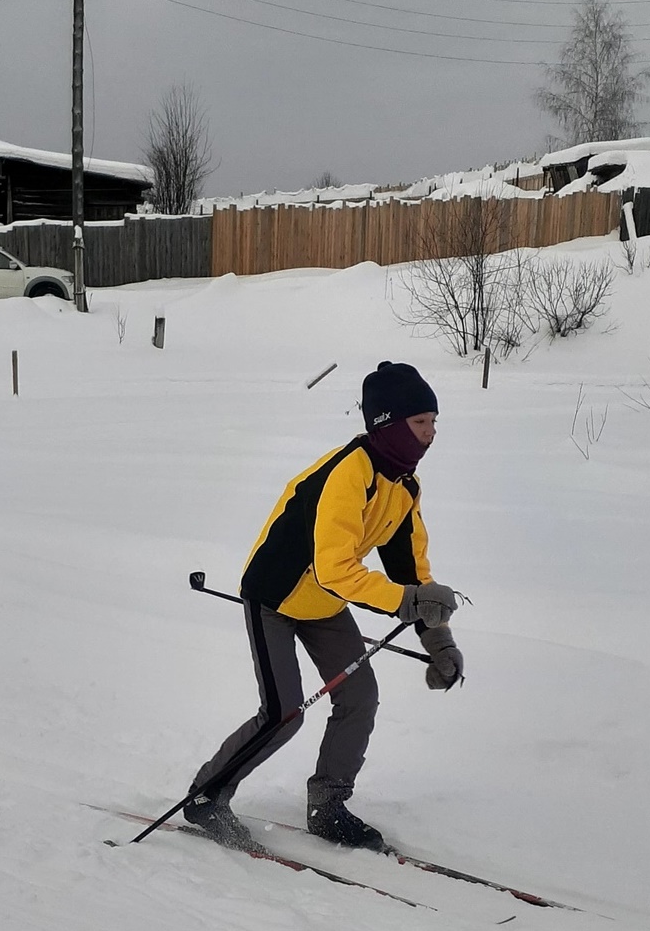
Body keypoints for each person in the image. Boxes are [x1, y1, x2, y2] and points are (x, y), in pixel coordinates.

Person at [185, 360, 463, 852]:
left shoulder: (404, 487)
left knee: (360, 696)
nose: (431, 433)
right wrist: (408, 602)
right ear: (389, 424)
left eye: (434, 422)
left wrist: (436, 637)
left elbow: (410, 570)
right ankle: (206, 797)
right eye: (421, 422)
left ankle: (328, 806)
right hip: (274, 596)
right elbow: (335, 567)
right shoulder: (347, 473)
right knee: (283, 712)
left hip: (323, 602)